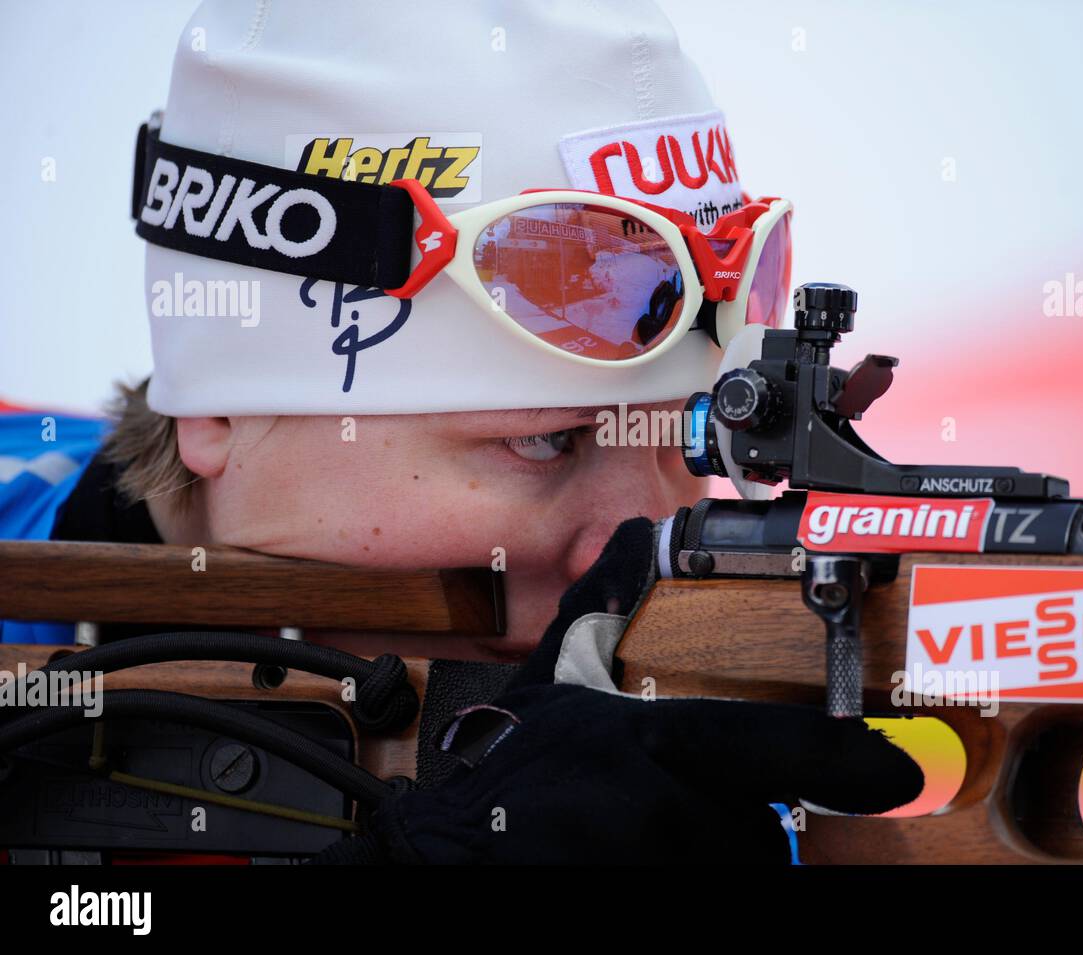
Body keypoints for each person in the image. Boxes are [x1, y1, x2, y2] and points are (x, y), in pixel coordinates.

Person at [0, 0, 922, 862]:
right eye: (543, 442)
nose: (642, 544)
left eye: (693, 441)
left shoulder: (690, 784)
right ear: (221, 412)